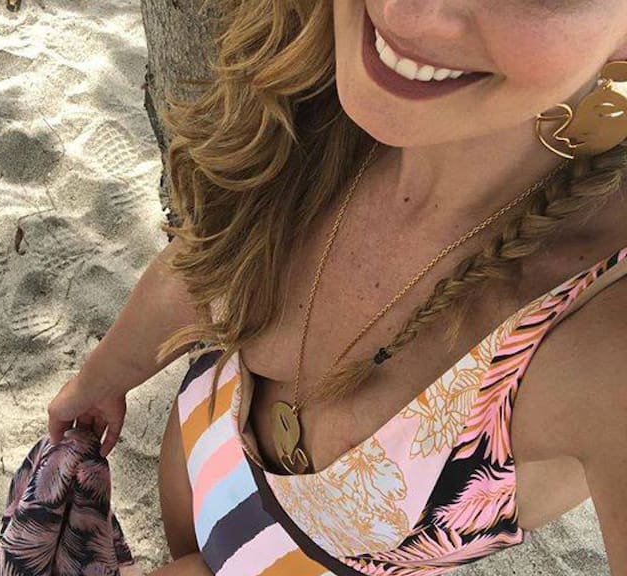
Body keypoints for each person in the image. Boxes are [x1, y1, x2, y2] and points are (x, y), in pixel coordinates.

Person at [47, 1, 627, 575]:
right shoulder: (310, 73)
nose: (402, 13)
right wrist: (101, 379)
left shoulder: (602, 332)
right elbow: (206, 262)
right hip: (198, 454)